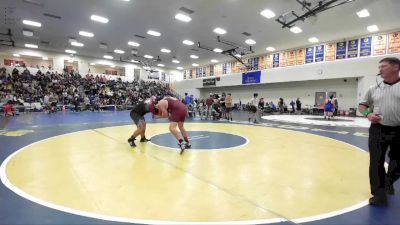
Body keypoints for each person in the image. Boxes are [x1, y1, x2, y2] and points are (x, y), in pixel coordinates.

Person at [358, 57, 400, 207]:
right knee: (376, 162)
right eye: (379, 66)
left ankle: (388, 181)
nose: (380, 69)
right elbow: (362, 106)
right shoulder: (373, 88)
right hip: (378, 129)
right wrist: (368, 114)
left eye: (383, 66)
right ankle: (378, 195)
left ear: (396, 67)